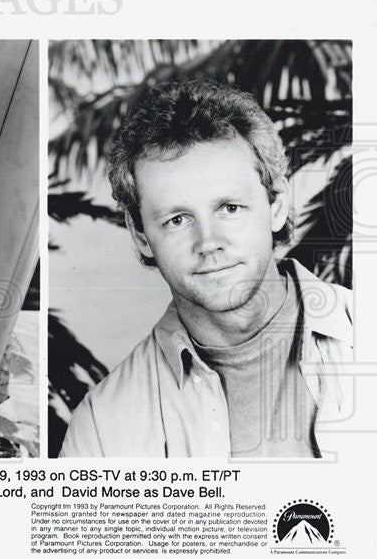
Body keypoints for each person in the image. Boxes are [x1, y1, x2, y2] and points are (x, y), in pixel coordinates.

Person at [60, 79, 353, 458]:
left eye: (229, 208)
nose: (208, 243)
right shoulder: (102, 430)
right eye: (178, 220)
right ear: (141, 235)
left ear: (277, 203)